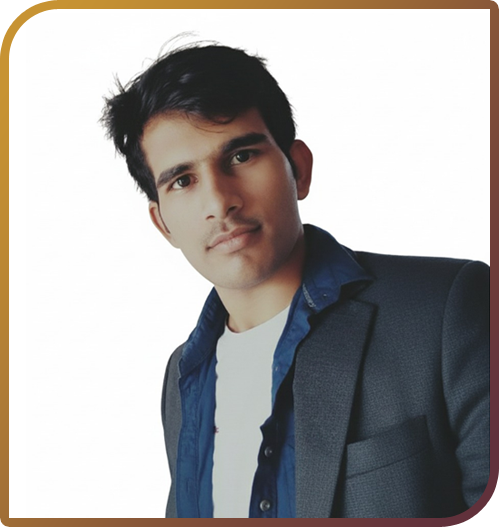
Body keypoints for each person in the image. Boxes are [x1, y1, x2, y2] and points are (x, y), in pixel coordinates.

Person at [101, 44, 489, 518]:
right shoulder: (182, 374)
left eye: (241, 156)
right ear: (163, 224)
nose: (220, 202)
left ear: (298, 169)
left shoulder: (446, 311)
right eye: (182, 181)